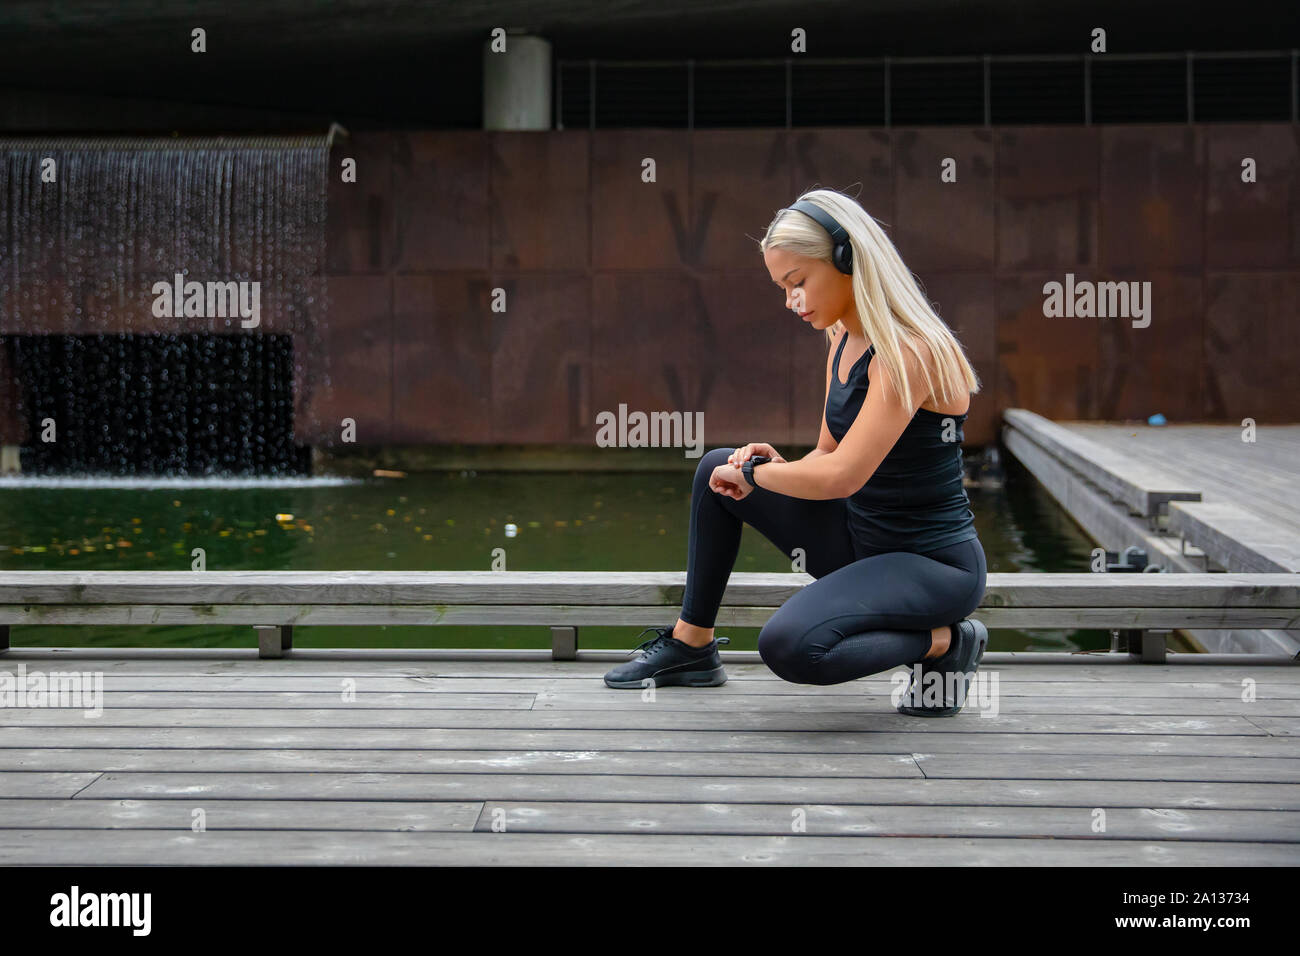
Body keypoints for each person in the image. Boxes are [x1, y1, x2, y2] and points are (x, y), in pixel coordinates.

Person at [603, 188, 989, 716]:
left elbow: (843, 476)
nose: (792, 301)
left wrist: (762, 477)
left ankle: (946, 643)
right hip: (860, 540)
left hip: (931, 566)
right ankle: (691, 645)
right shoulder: (841, 338)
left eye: (798, 282)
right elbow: (827, 455)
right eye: (784, 288)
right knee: (718, 468)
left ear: (848, 259)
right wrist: (778, 470)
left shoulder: (909, 353)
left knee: (789, 646)